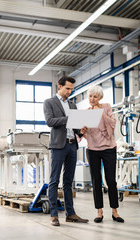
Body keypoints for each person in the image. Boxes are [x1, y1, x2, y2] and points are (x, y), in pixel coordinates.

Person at [43, 75, 89, 226]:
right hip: (58, 145)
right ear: (59, 86)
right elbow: (50, 122)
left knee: (68, 181)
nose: (70, 91)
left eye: (71, 89)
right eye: (67, 88)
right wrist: (67, 119)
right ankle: (54, 215)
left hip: (72, 145)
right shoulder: (49, 102)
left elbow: (75, 127)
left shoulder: (72, 105)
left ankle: (71, 214)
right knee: (54, 181)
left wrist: (81, 130)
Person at [80, 85, 124, 223]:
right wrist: (82, 130)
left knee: (111, 180)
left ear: (100, 98)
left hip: (109, 148)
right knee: (96, 181)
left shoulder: (106, 107)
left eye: (95, 96)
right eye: (90, 96)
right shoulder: (86, 112)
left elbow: (112, 124)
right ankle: (99, 212)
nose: (92, 99)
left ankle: (115, 211)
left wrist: (101, 113)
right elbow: (81, 134)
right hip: (92, 150)